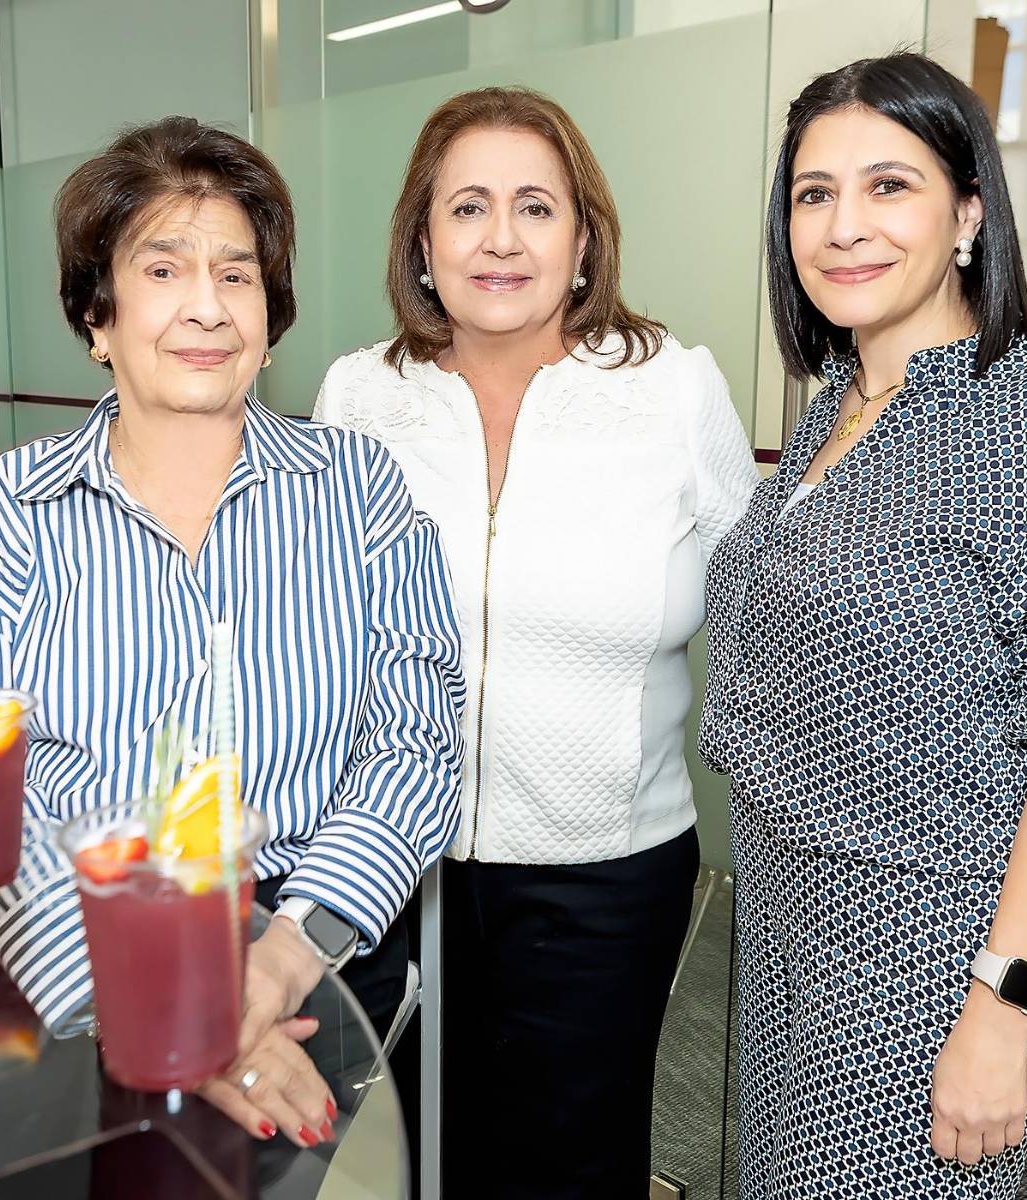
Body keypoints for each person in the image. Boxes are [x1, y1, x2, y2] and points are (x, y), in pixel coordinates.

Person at [0, 117, 465, 1152]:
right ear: (98, 317)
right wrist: (145, 1009)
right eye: (163, 268)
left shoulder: (360, 491)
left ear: (270, 317)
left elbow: (414, 745)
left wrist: (272, 967)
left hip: (308, 961)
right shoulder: (10, 510)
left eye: (236, 276)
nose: (206, 305)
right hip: (70, 960)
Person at [700, 53, 1027, 1198]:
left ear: (968, 212)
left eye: (888, 186)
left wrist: (1000, 1012)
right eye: (812, 194)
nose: (841, 226)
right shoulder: (837, 412)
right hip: (785, 917)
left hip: (924, 951)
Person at [313, 86, 759, 1199]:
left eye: (534, 207)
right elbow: (314, 621)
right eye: (466, 208)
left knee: (574, 1163)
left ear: (582, 238)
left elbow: (764, 604)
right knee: (403, 1153)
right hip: (388, 862)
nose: (500, 239)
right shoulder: (361, 394)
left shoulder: (670, 391)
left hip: (602, 874)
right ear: (422, 241)